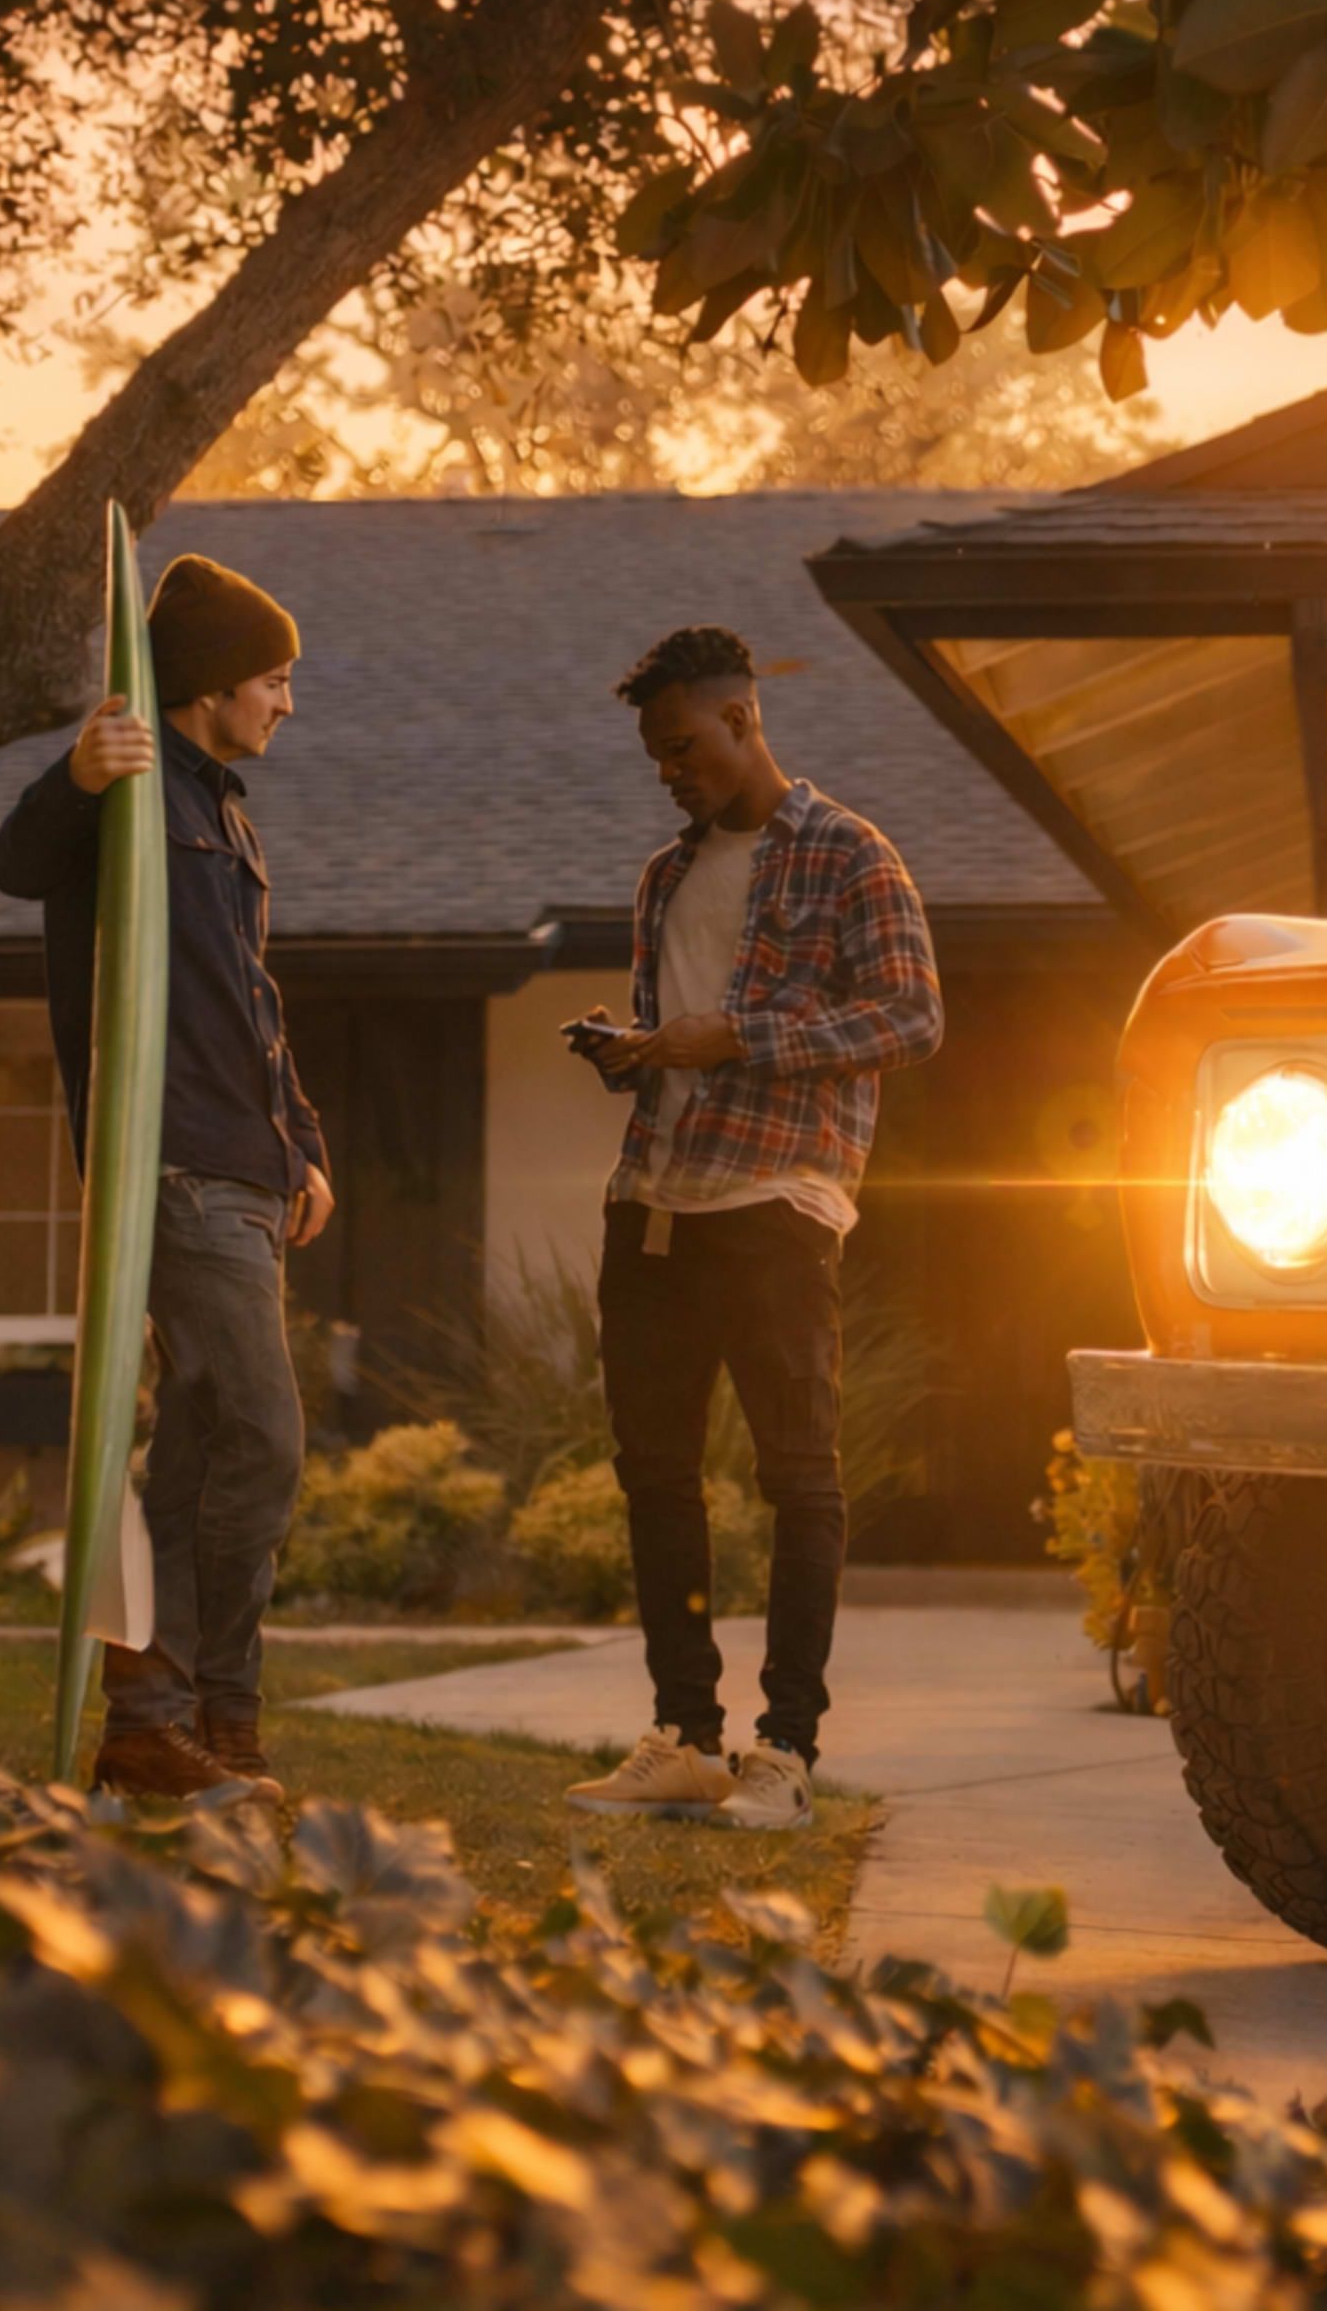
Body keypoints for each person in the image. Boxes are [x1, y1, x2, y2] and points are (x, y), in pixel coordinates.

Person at [564, 625, 941, 1831]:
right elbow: (674, 1041)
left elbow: (913, 1016)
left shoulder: (848, 855)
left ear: (742, 721)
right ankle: (684, 1736)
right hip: (656, 1202)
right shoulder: (663, 876)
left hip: (779, 1204)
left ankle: (784, 1752)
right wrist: (631, 1050)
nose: (668, 772)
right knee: (657, 1476)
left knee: (797, 1478)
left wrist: (744, 1038)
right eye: (655, 756)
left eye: (682, 747)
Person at [0, 554, 334, 1804]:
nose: (287, 703)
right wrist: (76, 775)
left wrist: (300, 1138)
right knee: (263, 1437)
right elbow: (14, 863)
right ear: (208, 683)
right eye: (274, 679)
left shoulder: (228, 809)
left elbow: (254, 1000)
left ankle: (200, 1734)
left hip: (247, 1169)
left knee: (199, 1458)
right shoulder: (126, 788)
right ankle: (162, 1710)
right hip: (175, 1165)